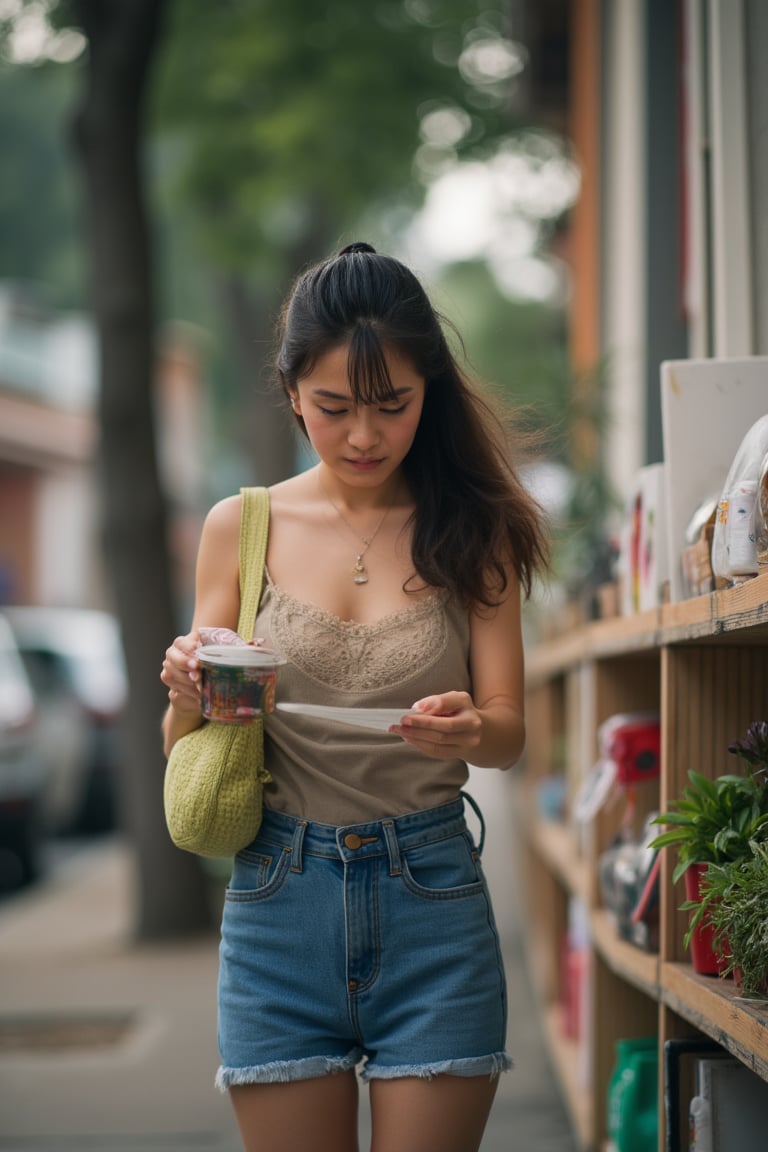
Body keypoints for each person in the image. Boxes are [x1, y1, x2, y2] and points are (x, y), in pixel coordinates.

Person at [160, 241, 549, 1152]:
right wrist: (186, 688)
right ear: (293, 391)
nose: (364, 436)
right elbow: (185, 750)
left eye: (393, 406)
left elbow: (508, 733)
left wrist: (471, 726)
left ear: (431, 392)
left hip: (432, 896)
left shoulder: (476, 528)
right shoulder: (240, 526)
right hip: (276, 902)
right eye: (334, 408)